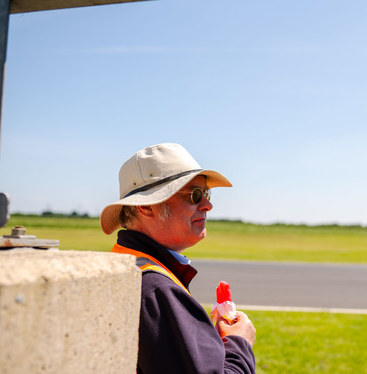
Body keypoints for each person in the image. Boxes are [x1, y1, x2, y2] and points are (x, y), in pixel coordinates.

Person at [100, 143, 256, 374]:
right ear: (147, 207)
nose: (208, 205)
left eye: (207, 193)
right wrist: (239, 343)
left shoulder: (125, 264)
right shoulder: (156, 290)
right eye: (194, 195)